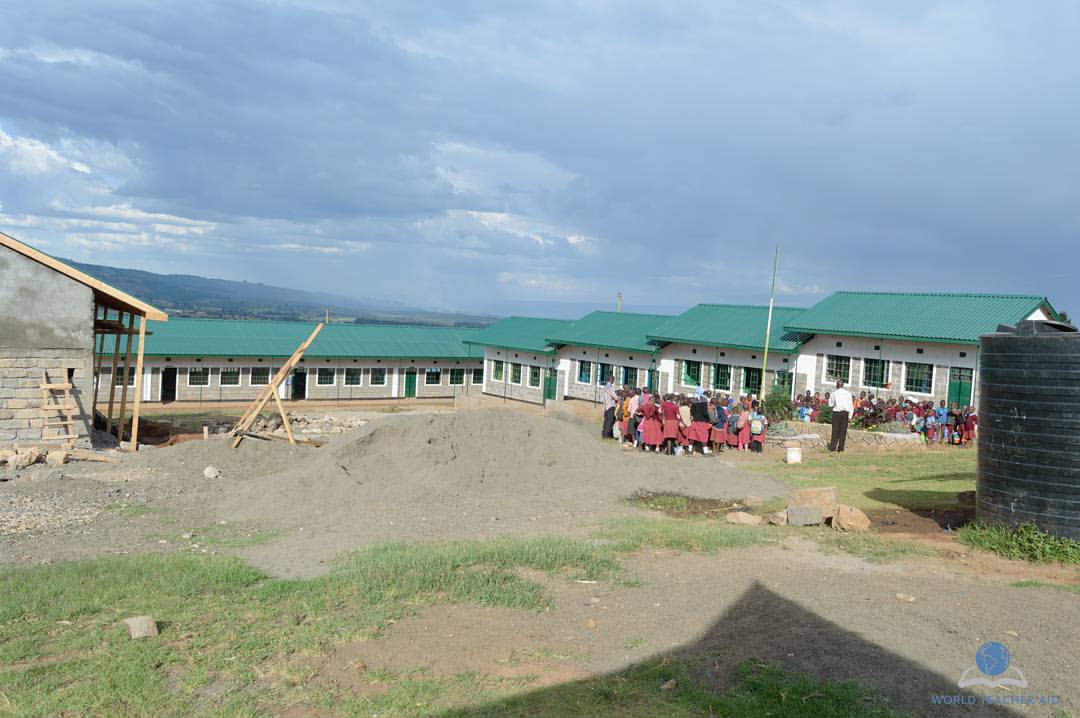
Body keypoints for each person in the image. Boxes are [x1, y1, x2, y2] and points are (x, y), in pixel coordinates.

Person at [828, 380, 853, 452]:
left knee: (835, 430)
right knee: (843, 431)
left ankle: (833, 447)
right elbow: (851, 406)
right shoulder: (848, 393)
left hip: (836, 413)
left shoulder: (834, 393)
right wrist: (850, 416)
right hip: (845, 413)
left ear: (837, 385)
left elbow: (830, 404)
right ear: (843, 385)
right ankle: (841, 448)